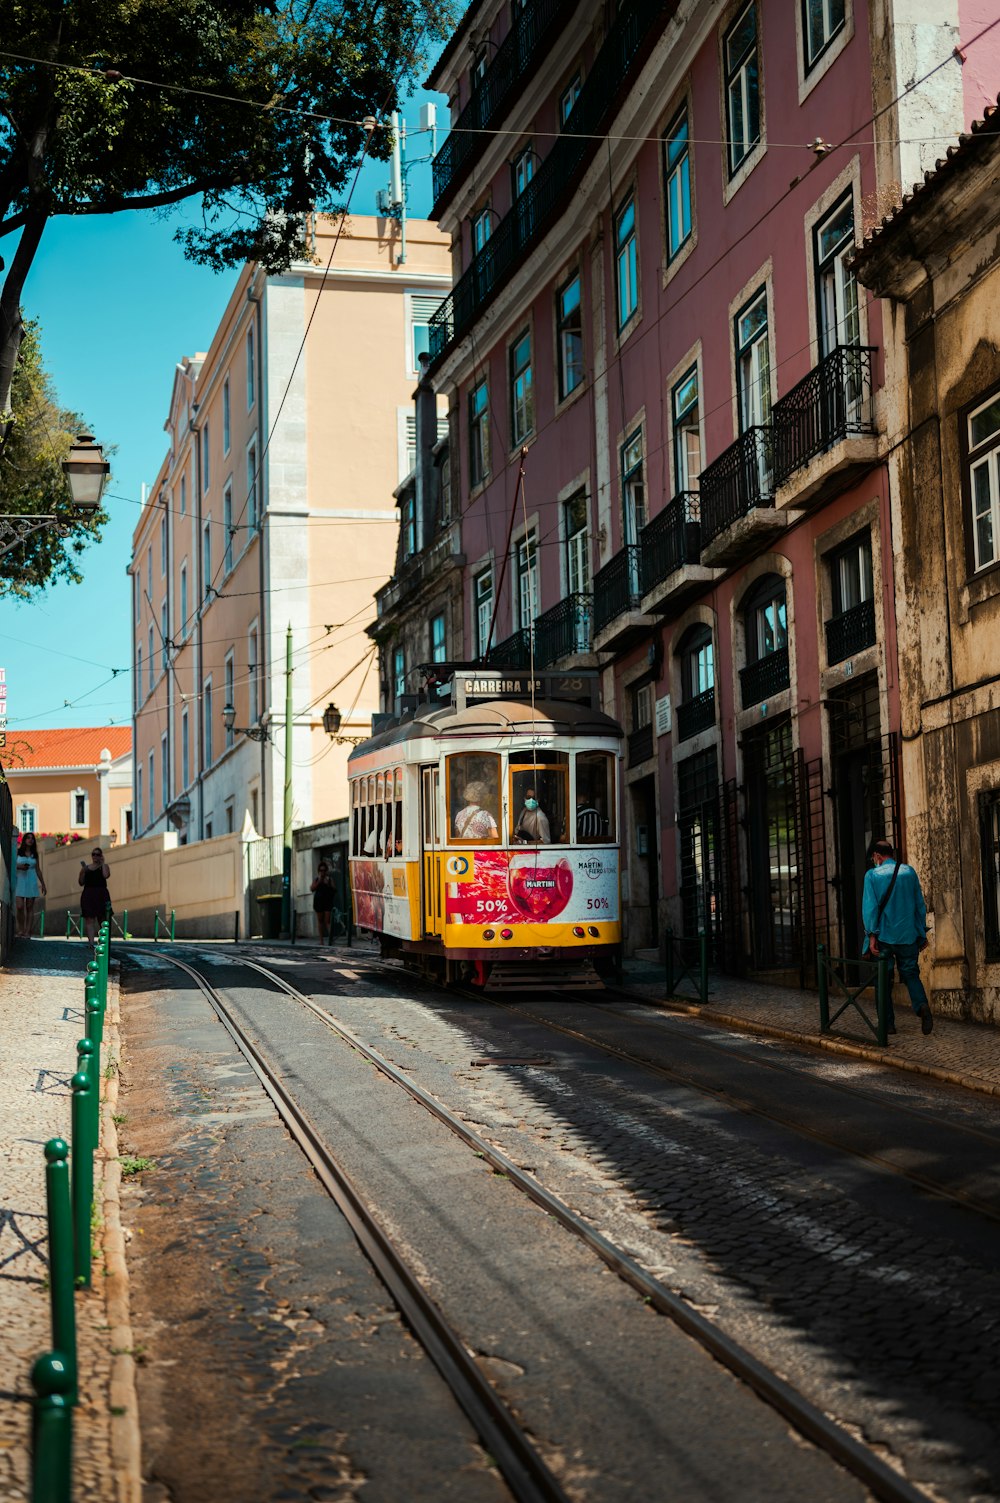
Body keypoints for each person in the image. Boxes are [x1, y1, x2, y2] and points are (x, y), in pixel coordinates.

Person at [862, 839, 933, 1035]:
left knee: (883, 981)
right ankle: (922, 1007)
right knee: (911, 974)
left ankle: (888, 1024)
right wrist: (920, 933)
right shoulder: (909, 872)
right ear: (891, 853)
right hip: (908, 935)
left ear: (877, 856)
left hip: (884, 937)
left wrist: (872, 936)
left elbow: (870, 909)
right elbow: (919, 905)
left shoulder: (872, 875)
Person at [14, 832, 46, 938]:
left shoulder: (35, 854)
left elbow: (38, 870)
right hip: (20, 881)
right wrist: (20, 866)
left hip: (31, 880)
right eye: (28, 838)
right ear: (24, 840)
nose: (30, 840)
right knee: (19, 906)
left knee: (29, 907)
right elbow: (12, 864)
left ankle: (28, 931)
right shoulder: (18, 852)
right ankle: (21, 929)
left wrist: (43, 884)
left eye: (32, 838)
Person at [79, 846, 111, 948]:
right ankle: (91, 943)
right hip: (88, 894)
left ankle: (103, 942)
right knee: (89, 919)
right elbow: (81, 882)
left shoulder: (104, 866)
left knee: (102, 919)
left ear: (101, 856)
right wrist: (83, 872)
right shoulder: (86, 868)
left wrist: (102, 863)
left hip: (101, 894)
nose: (95, 856)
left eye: (98, 854)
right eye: (93, 854)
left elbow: (106, 875)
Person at [310, 862, 336, 944]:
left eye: (324, 870)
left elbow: (334, 889)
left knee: (327, 920)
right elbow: (312, 888)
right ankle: (321, 940)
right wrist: (319, 882)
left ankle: (330, 939)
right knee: (320, 920)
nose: (322, 872)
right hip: (319, 901)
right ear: (319, 871)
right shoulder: (317, 879)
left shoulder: (329, 879)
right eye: (321, 870)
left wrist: (327, 884)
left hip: (327, 901)